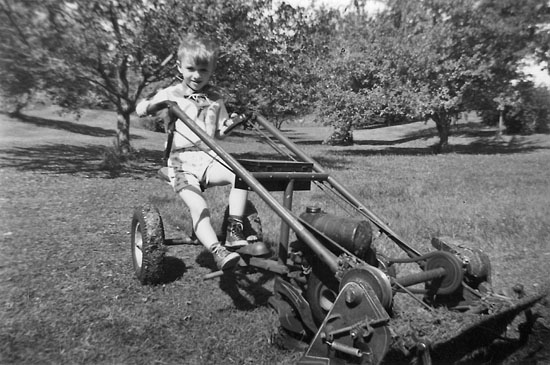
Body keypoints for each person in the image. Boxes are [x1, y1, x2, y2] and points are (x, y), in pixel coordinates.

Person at [136, 34, 249, 271]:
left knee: (241, 174)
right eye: (191, 68)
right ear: (180, 67)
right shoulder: (171, 94)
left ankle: (234, 228)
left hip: (209, 157)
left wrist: (230, 125)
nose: (197, 75)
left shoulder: (216, 99)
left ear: (211, 71)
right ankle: (218, 251)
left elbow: (220, 133)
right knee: (200, 208)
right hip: (181, 161)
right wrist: (148, 106)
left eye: (203, 70)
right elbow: (140, 110)